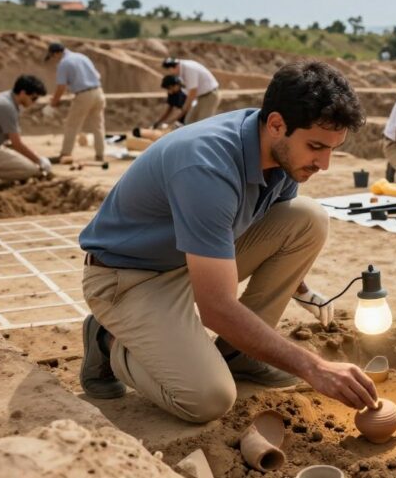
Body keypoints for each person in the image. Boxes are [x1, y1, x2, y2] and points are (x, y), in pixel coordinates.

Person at [77, 61, 375, 423]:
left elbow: (276, 227)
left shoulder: (280, 154)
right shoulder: (207, 166)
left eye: (332, 149)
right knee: (209, 399)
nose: (324, 164)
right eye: (316, 147)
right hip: (129, 278)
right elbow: (216, 307)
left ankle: (241, 356)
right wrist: (313, 367)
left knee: (308, 219)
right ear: (277, 124)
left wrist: (301, 288)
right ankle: (106, 340)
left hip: (192, 262)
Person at [46, 43, 106, 162]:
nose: (54, 59)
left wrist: (53, 103)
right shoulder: (82, 57)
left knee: (72, 125)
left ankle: (65, 154)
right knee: (98, 126)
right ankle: (100, 155)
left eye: (53, 56)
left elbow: (61, 87)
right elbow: (96, 76)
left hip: (83, 95)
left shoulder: (64, 63)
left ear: (57, 53)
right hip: (99, 92)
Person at [162, 57, 220, 124]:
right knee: (189, 122)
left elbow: (192, 93)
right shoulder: (182, 71)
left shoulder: (188, 69)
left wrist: (183, 112)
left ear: (176, 66)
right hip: (201, 97)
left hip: (209, 95)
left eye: (170, 69)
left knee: (202, 123)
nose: (170, 72)